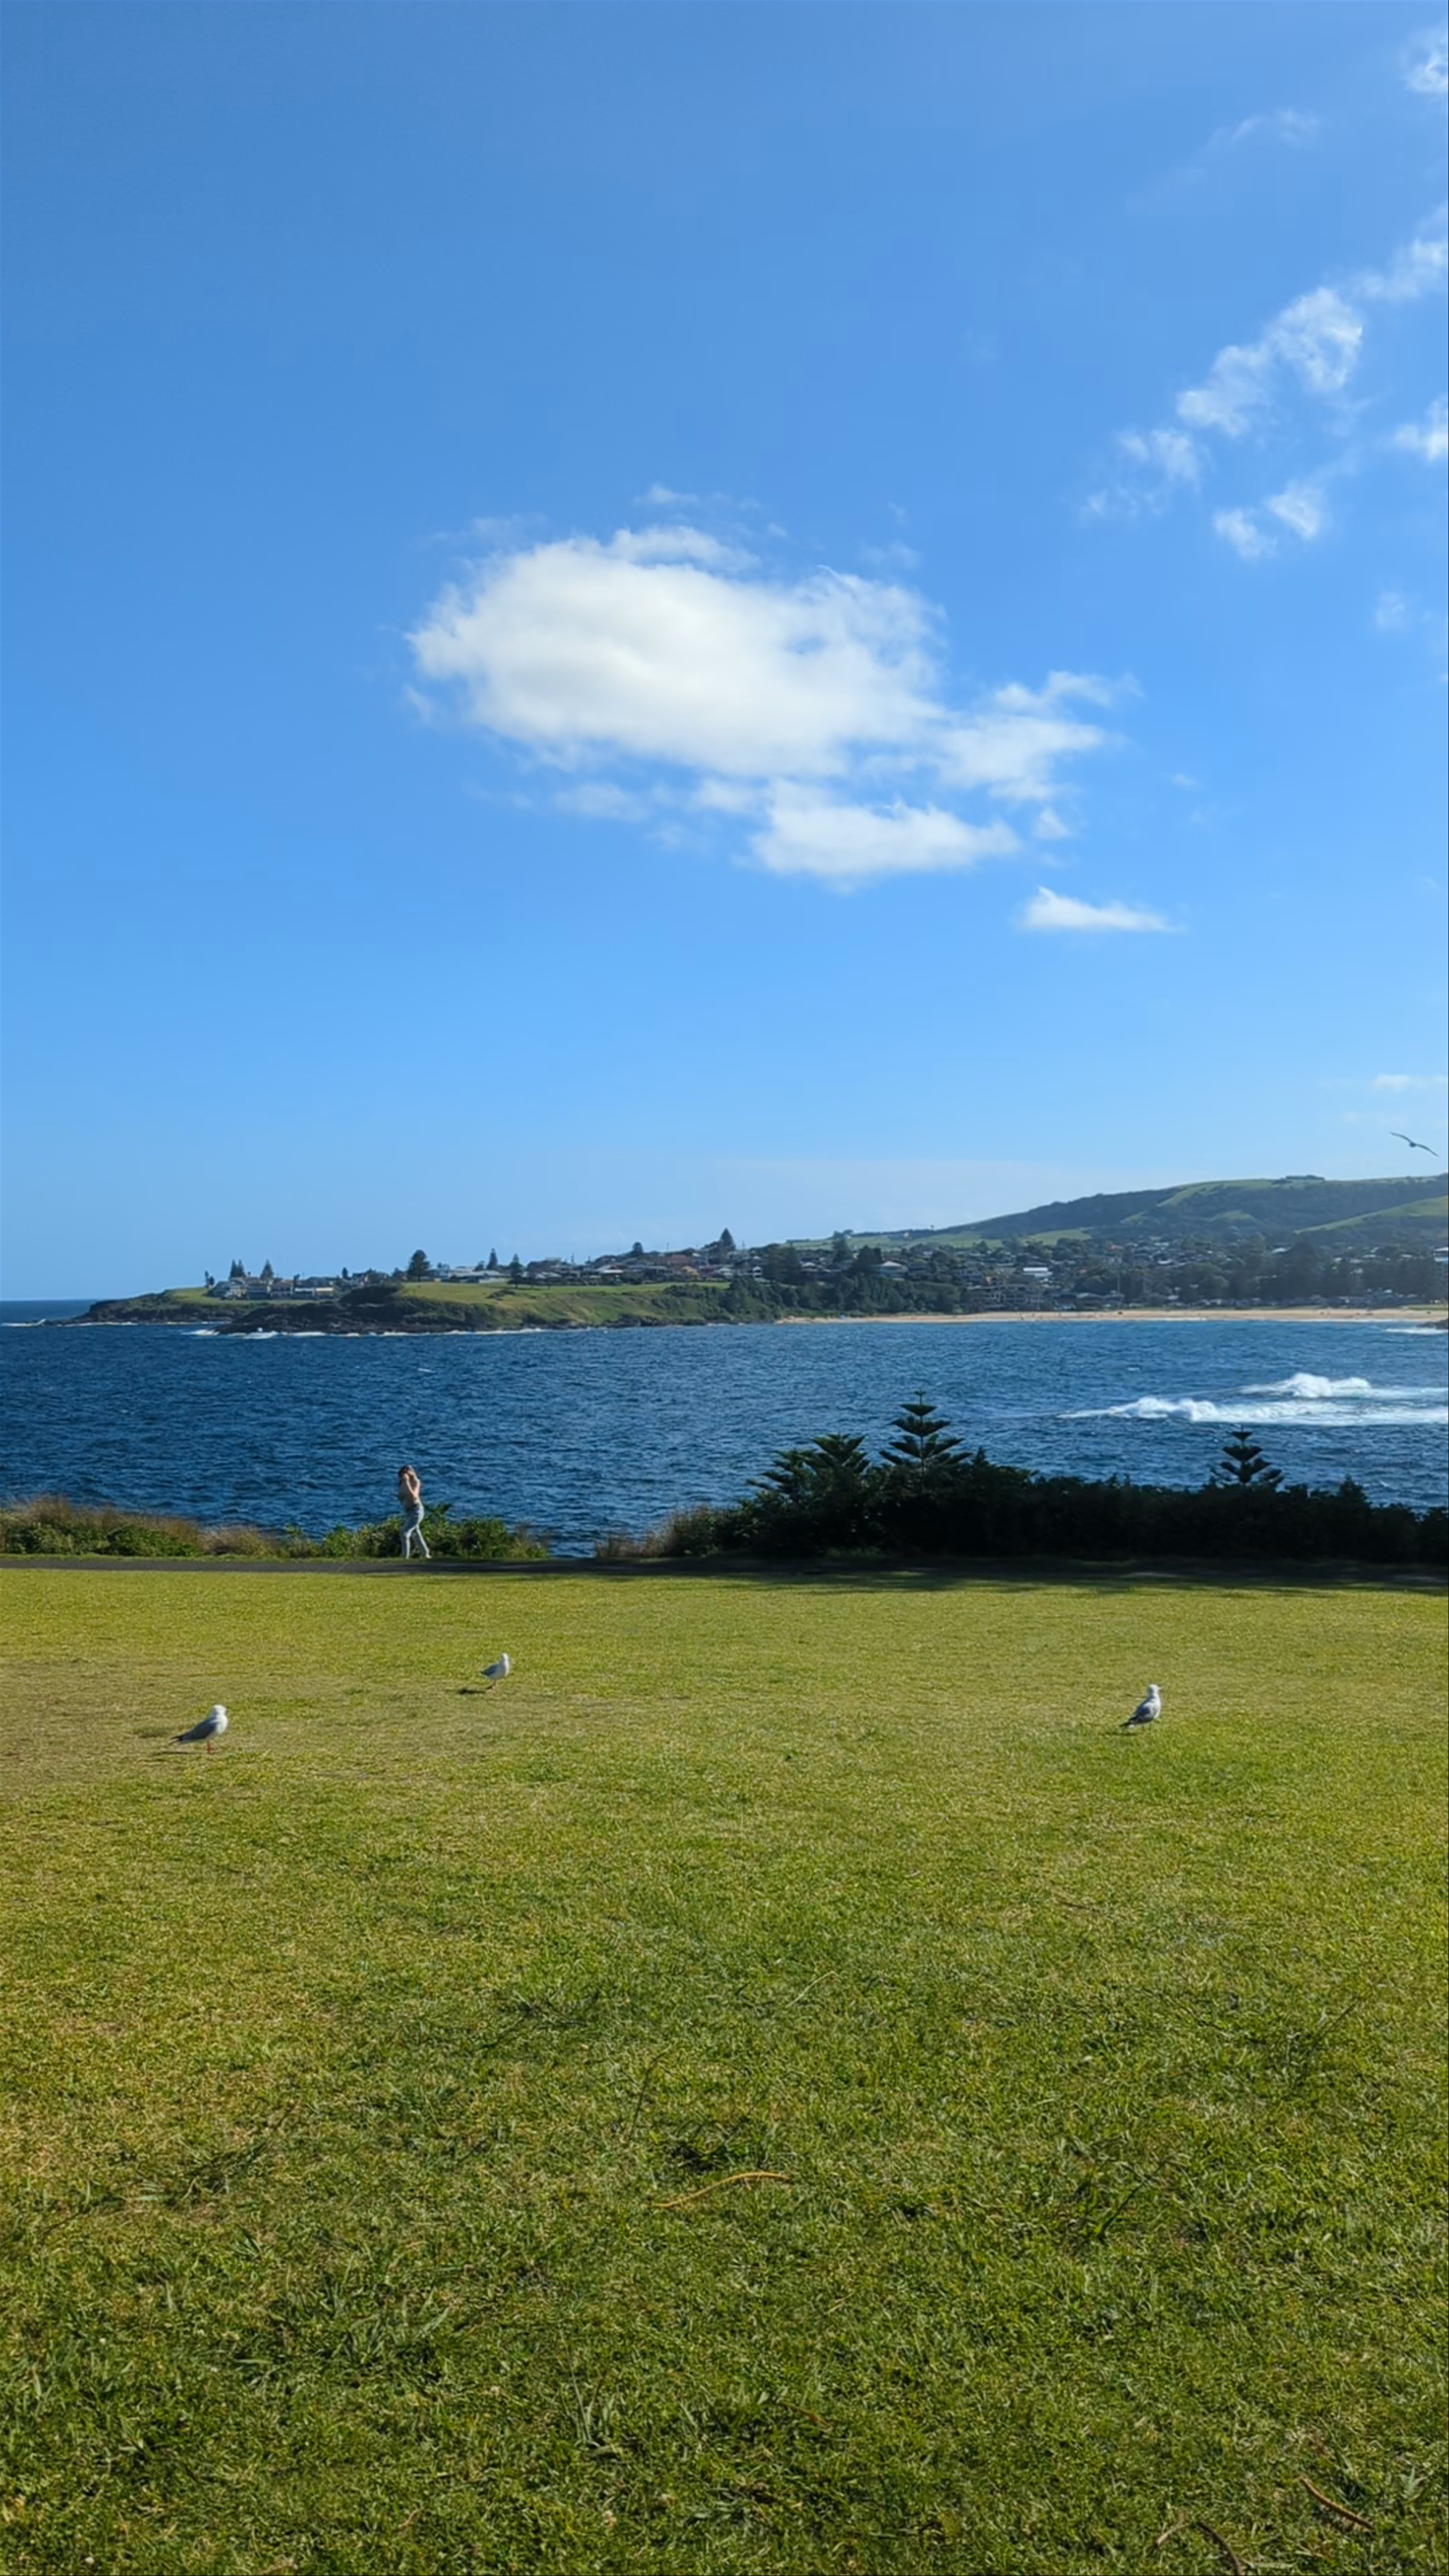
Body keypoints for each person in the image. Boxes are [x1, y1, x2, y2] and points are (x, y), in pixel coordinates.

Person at [397, 1464, 429, 1560]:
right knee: (416, 1534)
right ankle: (426, 1554)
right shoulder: (401, 1483)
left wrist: (407, 1483)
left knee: (405, 1533)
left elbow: (414, 1497)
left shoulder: (416, 1482)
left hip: (417, 1510)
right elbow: (402, 1496)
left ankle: (405, 1557)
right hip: (408, 1511)